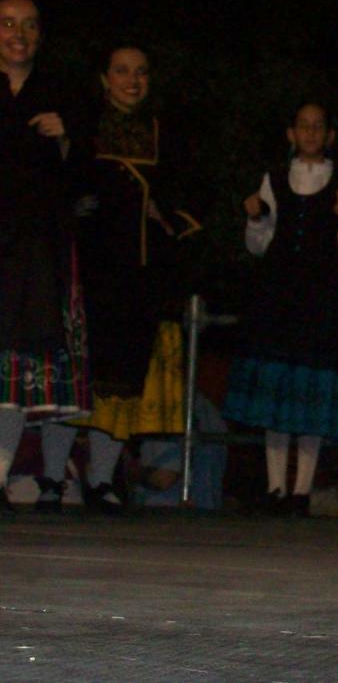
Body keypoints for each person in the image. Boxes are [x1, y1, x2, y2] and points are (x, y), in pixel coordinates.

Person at [223, 100, 338, 516]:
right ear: (291, 133)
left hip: (322, 299)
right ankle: (274, 487)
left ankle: (302, 490)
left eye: (318, 126)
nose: (310, 133)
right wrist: (254, 218)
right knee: (279, 390)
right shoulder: (274, 178)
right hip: (278, 296)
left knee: (311, 391)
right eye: (303, 125)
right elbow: (258, 244)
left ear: (329, 135)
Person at [72, 45, 203, 513]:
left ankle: (101, 479)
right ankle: (50, 477)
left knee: (123, 380)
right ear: (104, 77)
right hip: (90, 271)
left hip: (140, 276)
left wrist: (162, 214)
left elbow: (184, 201)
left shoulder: (164, 134)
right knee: (77, 378)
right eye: (122, 72)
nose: (132, 80)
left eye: (141, 72)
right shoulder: (80, 127)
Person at [0, 0, 91, 514]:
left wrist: (64, 142)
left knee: (13, 362)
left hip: (34, 248)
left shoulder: (59, 95)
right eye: (9, 24)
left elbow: (84, 179)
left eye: (30, 25)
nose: (19, 34)